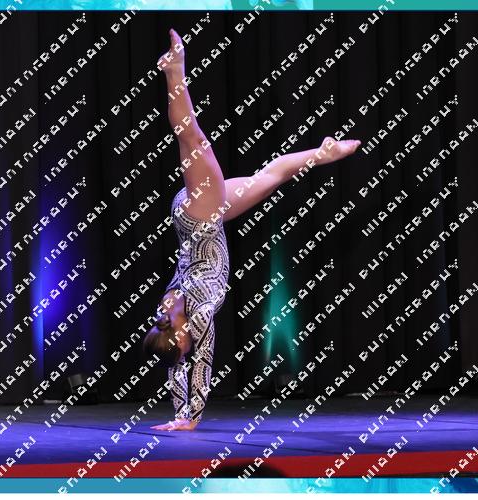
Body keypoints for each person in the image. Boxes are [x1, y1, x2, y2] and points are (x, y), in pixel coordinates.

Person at [142, 28, 361, 431]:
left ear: (180, 335)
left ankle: (175, 71)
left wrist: (191, 417)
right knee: (269, 176)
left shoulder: (194, 316)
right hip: (202, 217)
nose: (190, 351)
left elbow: (200, 362)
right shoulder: (169, 315)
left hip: (201, 215)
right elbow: (176, 364)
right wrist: (179, 414)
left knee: (191, 137)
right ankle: (324, 152)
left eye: (185, 346)